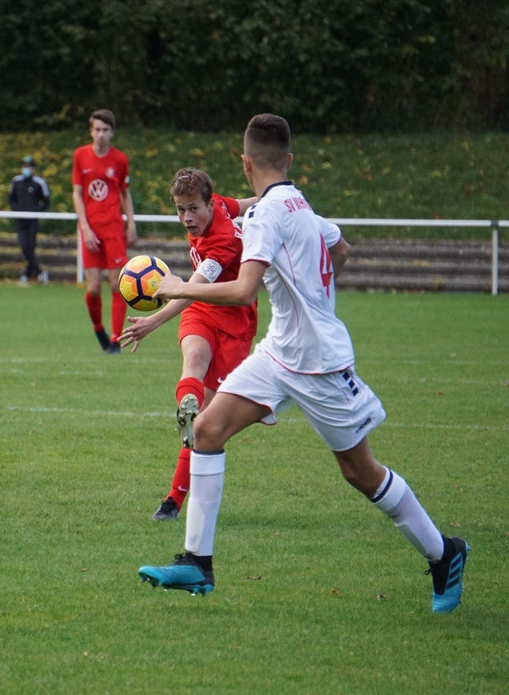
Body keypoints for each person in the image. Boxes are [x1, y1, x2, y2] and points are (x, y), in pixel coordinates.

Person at [137, 114, 469, 613]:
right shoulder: (300, 205)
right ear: (289, 161)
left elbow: (245, 289)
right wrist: (313, 295)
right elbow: (342, 248)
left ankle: (446, 553)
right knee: (206, 430)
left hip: (319, 362)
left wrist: (179, 286)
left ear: (245, 164)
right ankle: (196, 562)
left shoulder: (267, 215)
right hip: (278, 352)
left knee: (361, 472)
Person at [119, 168, 257, 521]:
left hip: (234, 323)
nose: (186, 218)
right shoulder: (221, 205)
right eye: (180, 209)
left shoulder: (223, 241)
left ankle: (174, 496)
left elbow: (190, 288)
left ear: (209, 204)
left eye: (193, 209)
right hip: (202, 311)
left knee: (207, 423)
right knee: (193, 359)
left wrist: (153, 320)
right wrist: (275, 199)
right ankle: (186, 412)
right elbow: (245, 202)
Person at [72, 109, 137, 354]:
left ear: (112, 132)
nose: (101, 135)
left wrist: (131, 223)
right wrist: (85, 227)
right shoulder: (80, 155)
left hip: (113, 228)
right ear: (91, 131)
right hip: (91, 229)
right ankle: (98, 327)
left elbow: (124, 193)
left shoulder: (119, 159)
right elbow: (77, 193)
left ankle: (115, 339)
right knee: (93, 288)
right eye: (97, 129)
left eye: (105, 130)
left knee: (116, 284)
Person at [8, 155, 51, 284]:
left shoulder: (39, 182)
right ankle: (38, 272)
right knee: (23, 245)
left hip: (32, 220)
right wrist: (17, 210)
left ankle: (27, 274)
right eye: (24, 166)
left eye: (29, 166)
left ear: (33, 168)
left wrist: (36, 210)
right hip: (20, 219)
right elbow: (11, 199)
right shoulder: (16, 181)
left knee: (30, 246)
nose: (26, 169)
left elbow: (46, 201)